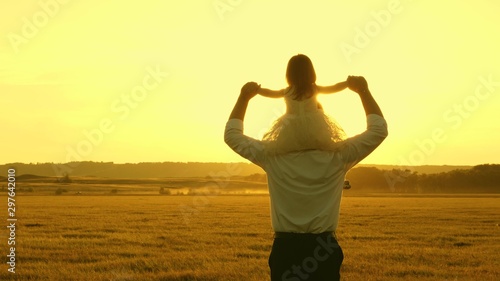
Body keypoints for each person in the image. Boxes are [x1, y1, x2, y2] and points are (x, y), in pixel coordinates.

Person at [224, 58, 388, 280]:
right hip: (323, 250)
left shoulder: (272, 156)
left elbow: (232, 136)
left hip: (285, 249)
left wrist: (244, 97)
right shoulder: (338, 156)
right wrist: (363, 91)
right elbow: (378, 130)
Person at [256, 54, 349, 155]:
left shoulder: (287, 91)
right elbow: (333, 88)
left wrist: (257, 90)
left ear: (289, 74)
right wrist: (347, 83)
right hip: (314, 125)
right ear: (310, 72)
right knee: (320, 145)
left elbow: (270, 93)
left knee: (289, 149)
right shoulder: (314, 89)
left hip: (291, 126)